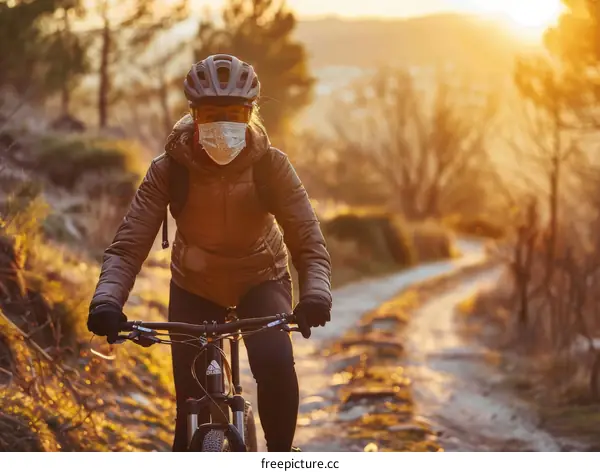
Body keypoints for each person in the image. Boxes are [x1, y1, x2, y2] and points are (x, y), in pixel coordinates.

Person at [86, 54, 332, 452]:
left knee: (274, 364)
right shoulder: (169, 169)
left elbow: (308, 241)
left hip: (261, 278)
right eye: (210, 114)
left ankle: (281, 457)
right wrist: (107, 301)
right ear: (193, 116)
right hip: (194, 285)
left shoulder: (272, 166)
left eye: (234, 114)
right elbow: (128, 245)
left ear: (251, 114)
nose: (222, 126)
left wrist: (316, 294)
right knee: (189, 405)